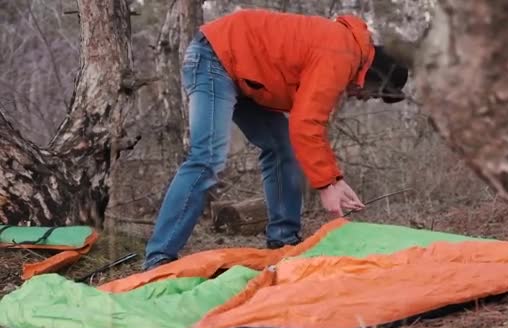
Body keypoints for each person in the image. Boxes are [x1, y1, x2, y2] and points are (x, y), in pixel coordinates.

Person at [143, 8, 409, 270]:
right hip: (215, 57)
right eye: (375, 94)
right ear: (377, 77)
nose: (365, 99)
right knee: (207, 157)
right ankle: (159, 257)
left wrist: (334, 179)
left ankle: (284, 243)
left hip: (243, 76)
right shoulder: (342, 53)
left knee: (285, 147)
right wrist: (329, 184)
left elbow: (306, 121)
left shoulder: (346, 51)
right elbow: (306, 123)